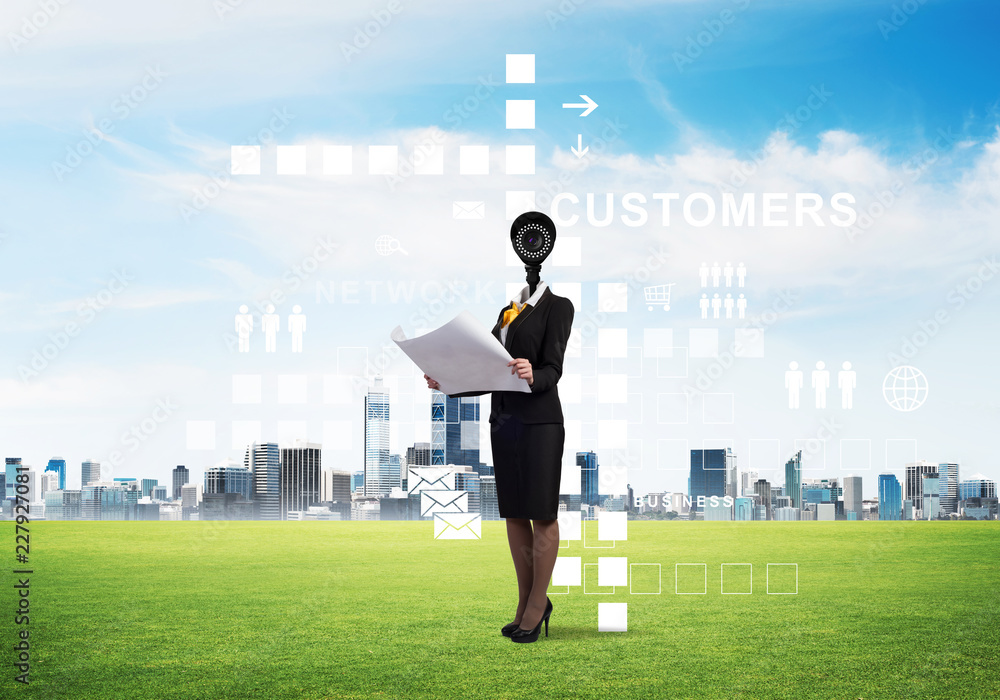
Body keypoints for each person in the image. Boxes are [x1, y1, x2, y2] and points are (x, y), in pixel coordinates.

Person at [424, 279, 574, 643]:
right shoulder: (506, 313)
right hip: (504, 424)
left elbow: (554, 367)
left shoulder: (559, 305)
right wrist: (448, 383)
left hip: (541, 423)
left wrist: (533, 373)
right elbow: (488, 371)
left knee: (542, 513)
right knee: (514, 514)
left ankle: (539, 603)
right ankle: (524, 603)